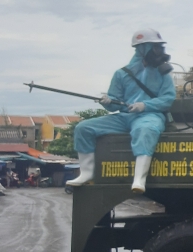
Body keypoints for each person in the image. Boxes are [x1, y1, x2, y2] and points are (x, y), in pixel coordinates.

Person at [66, 29, 176, 193]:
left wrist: (145, 105)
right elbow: (115, 103)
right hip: (124, 117)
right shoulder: (122, 74)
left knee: (145, 130)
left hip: (149, 116)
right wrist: (108, 102)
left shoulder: (163, 73)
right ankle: (86, 173)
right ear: (142, 49)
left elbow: (168, 98)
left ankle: (139, 179)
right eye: (155, 47)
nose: (159, 50)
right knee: (83, 128)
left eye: (159, 46)